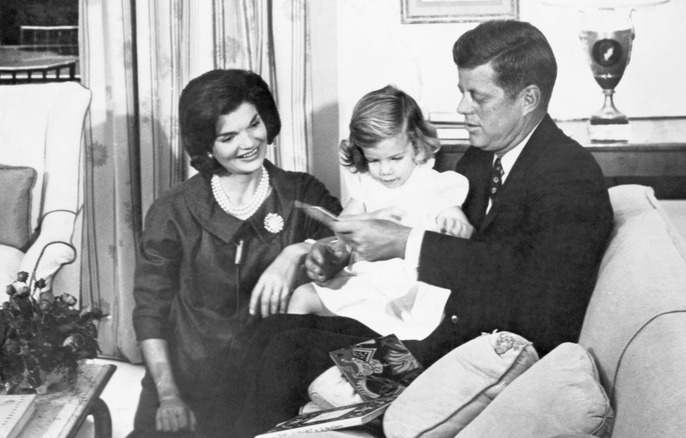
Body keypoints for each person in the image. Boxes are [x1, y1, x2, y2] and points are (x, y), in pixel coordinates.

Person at [238, 20, 614, 435]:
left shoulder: (568, 175)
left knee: (284, 351)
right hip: (423, 337)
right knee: (271, 332)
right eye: (461, 92)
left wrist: (405, 243)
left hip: (439, 363)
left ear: (528, 98)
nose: (462, 108)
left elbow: (542, 300)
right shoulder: (483, 158)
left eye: (478, 96)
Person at [128, 69, 348, 437]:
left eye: (254, 124)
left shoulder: (302, 191)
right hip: (185, 382)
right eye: (228, 136)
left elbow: (347, 244)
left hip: (266, 387)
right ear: (206, 145)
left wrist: (297, 250)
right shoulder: (172, 209)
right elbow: (150, 310)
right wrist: (168, 395)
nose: (248, 142)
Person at [288, 85, 472, 341]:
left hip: (406, 287)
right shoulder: (367, 186)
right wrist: (361, 226)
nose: (384, 170)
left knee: (401, 327)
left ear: (417, 148)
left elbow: (453, 219)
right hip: (364, 278)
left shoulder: (431, 183)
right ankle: (297, 353)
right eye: (374, 161)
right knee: (303, 296)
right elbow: (343, 226)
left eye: (395, 158)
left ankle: (383, 367)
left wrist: (455, 223)